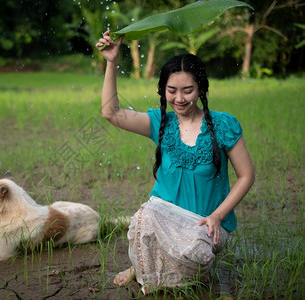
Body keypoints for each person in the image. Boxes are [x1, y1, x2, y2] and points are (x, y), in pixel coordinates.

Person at [96, 30, 255, 293]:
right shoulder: (161, 123)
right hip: (163, 217)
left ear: (201, 88)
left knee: (195, 253)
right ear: (163, 90)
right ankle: (146, 268)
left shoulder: (223, 124)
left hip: (205, 224)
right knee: (142, 220)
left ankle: (145, 269)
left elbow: (247, 175)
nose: (179, 99)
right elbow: (110, 113)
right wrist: (111, 62)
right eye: (172, 91)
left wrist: (217, 216)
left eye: (187, 90)